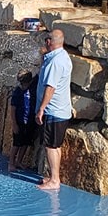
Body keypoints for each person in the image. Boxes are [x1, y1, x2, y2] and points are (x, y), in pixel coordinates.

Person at [35, 29, 71, 190]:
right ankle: (53, 176)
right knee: (55, 145)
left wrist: (41, 108)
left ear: (49, 42)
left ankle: (55, 180)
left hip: (53, 110)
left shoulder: (55, 62)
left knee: (51, 146)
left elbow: (50, 87)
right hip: (61, 110)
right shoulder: (62, 56)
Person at [7, 72, 38, 173]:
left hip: (29, 121)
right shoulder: (17, 92)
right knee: (17, 144)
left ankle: (19, 161)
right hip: (19, 121)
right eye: (21, 84)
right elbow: (13, 109)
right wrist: (14, 124)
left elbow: (38, 74)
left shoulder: (32, 85)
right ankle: (11, 163)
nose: (23, 86)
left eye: (24, 84)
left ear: (29, 82)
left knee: (26, 143)